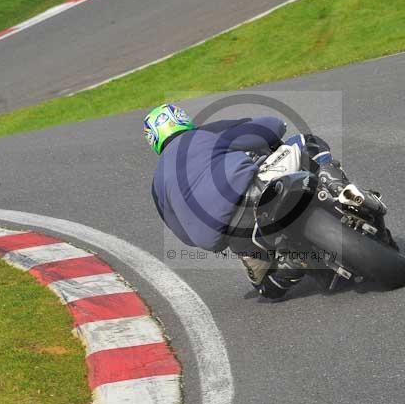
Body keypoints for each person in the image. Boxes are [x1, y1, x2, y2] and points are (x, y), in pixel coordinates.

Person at [146, 103, 353, 299]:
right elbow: (271, 128)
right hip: (253, 194)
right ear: (181, 118)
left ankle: (291, 264)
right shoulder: (205, 133)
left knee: (265, 287)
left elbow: (184, 236)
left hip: (231, 236)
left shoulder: (157, 184)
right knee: (306, 142)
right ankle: (338, 187)